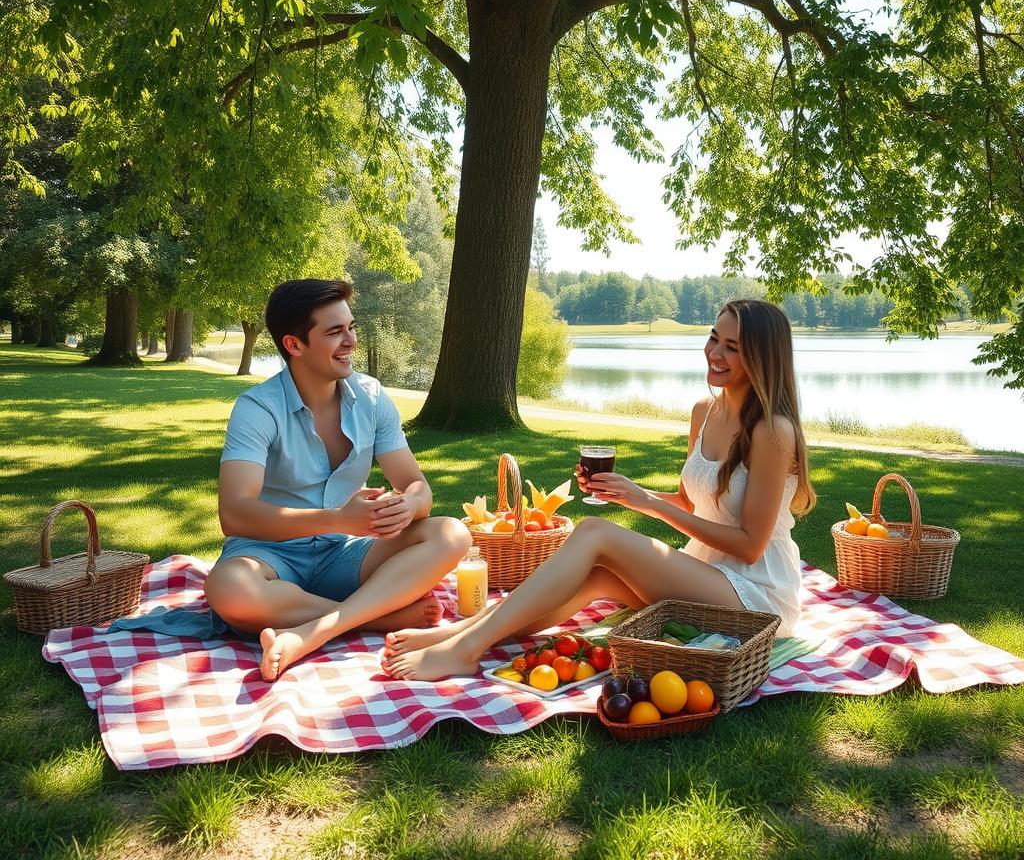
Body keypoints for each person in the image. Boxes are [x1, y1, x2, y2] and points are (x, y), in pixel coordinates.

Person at [383, 299, 815, 682]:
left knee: (594, 532)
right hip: (706, 571)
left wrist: (645, 502)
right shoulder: (705, 411)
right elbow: (689, 504)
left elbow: (750, 546)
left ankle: (464, 651)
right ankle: (459, 633)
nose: (714, 353)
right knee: (597, 577)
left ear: (761, 357)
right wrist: (627, 492)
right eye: (713, 338)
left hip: (757, 594)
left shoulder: (772, 431)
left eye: (732, 348)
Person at [203, 278, 471, 680]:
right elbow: (236, 515)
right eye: (334, 332)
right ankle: (377, 615)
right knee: (228, 588)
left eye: (351, 327)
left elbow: (417, 485)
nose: (351, 341)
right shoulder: (257, 408)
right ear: (294, 345)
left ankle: (316, 627)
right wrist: (337, 519)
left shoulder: (372, 398)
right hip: (269, 556)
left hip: (345, 555)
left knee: (453, 534)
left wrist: (409, 505)